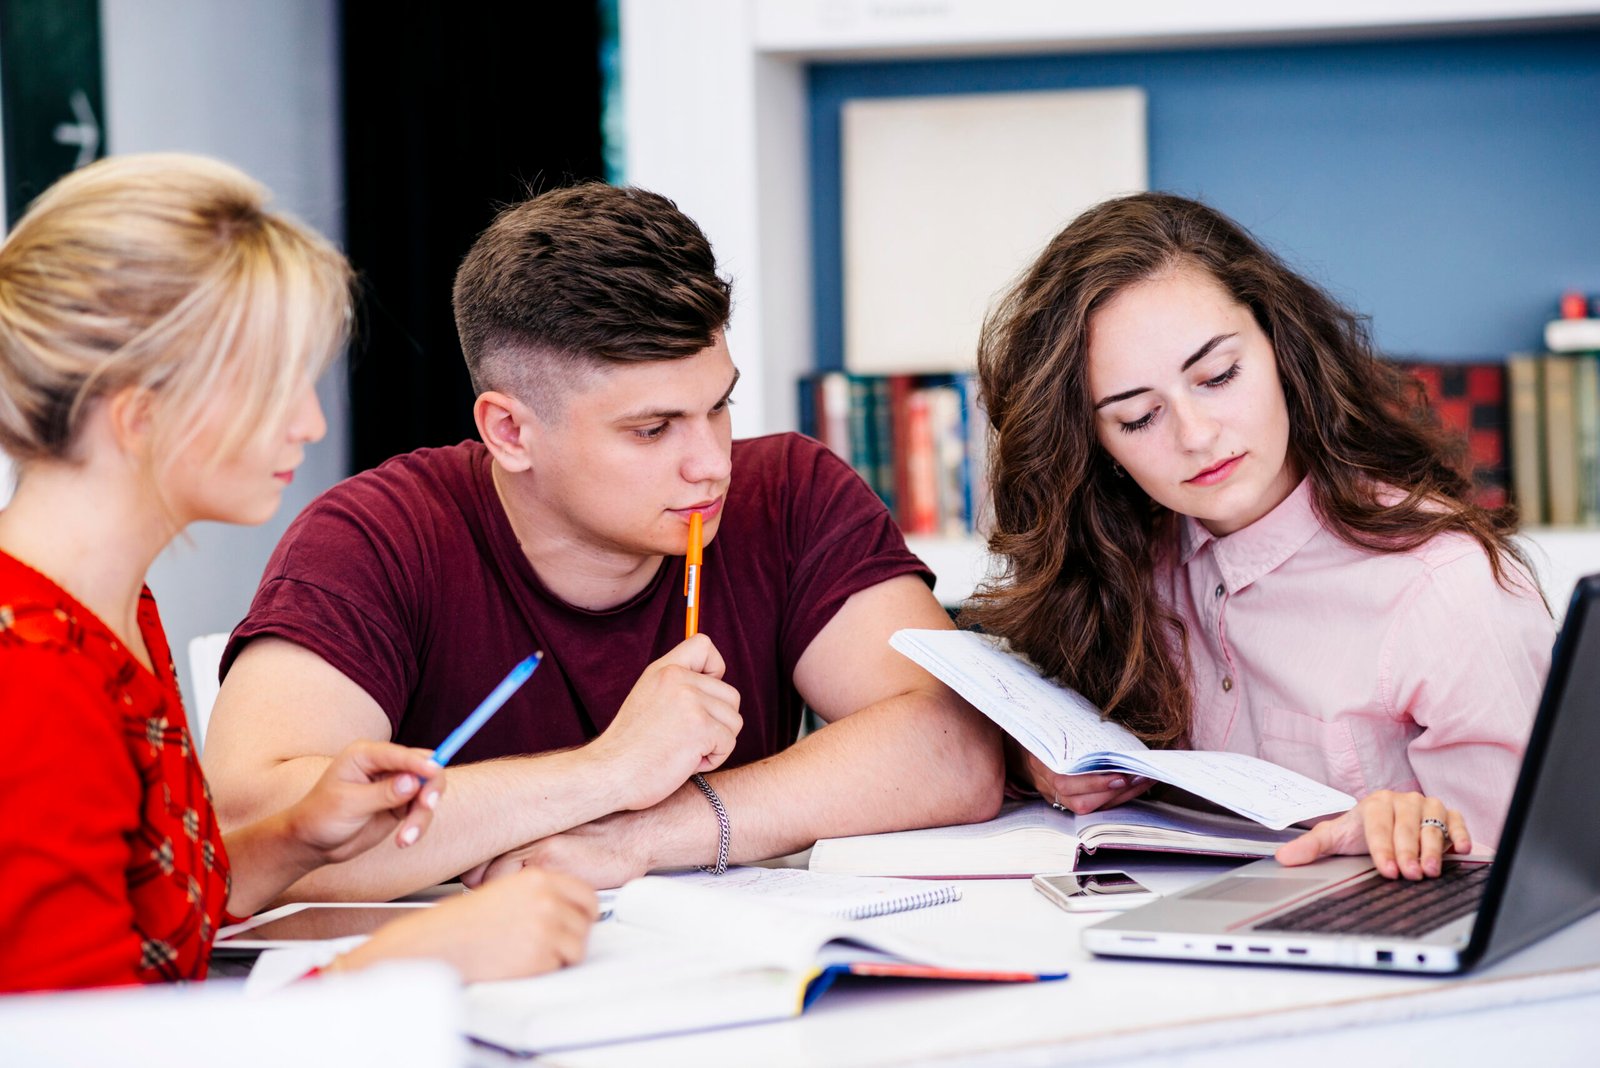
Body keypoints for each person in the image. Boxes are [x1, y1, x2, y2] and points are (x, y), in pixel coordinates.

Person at [202, 183, 1004, 899]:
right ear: (510, 430)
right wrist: (607, 773)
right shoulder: (377, 536)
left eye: (718, 406)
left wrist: (644, 835)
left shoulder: (792, 492)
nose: (711, 462)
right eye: (651, 429)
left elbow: (956, 748)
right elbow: (250, 829)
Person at [0, 154, 595, 993]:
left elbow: (145, 912)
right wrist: (404, 965)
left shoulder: (110, 605)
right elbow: (82, 1044)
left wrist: (296, 836)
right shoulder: (32, 669)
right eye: (275, 387)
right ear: (140, 415)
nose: (310, 423)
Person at [969, 192, 1553, 882]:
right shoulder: (1113, 570)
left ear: (1282, 346)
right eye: (1136, 417)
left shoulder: (1450, 589)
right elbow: (1021, 717)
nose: (1196, 435)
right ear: (1095, 446)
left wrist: (1417, 831)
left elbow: (1541, 876)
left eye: (1218, 376)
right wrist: (1037, 765)